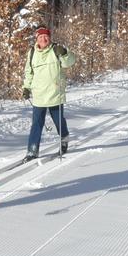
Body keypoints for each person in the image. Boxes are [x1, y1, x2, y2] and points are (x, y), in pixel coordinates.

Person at [22, 24, 76, 159]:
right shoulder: (32, 53)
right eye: (40, 37)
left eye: (46, 36)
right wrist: (26, 87)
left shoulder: (56, 49)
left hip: (55, 93)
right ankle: (32, 150)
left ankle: (64, 141)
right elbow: (29, 72)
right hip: (39, 95)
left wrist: (64, 53)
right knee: (37, 124)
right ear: (37, 39)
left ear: (49, 37)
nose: (43, 39)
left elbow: (69, 62)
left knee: (59, 122)